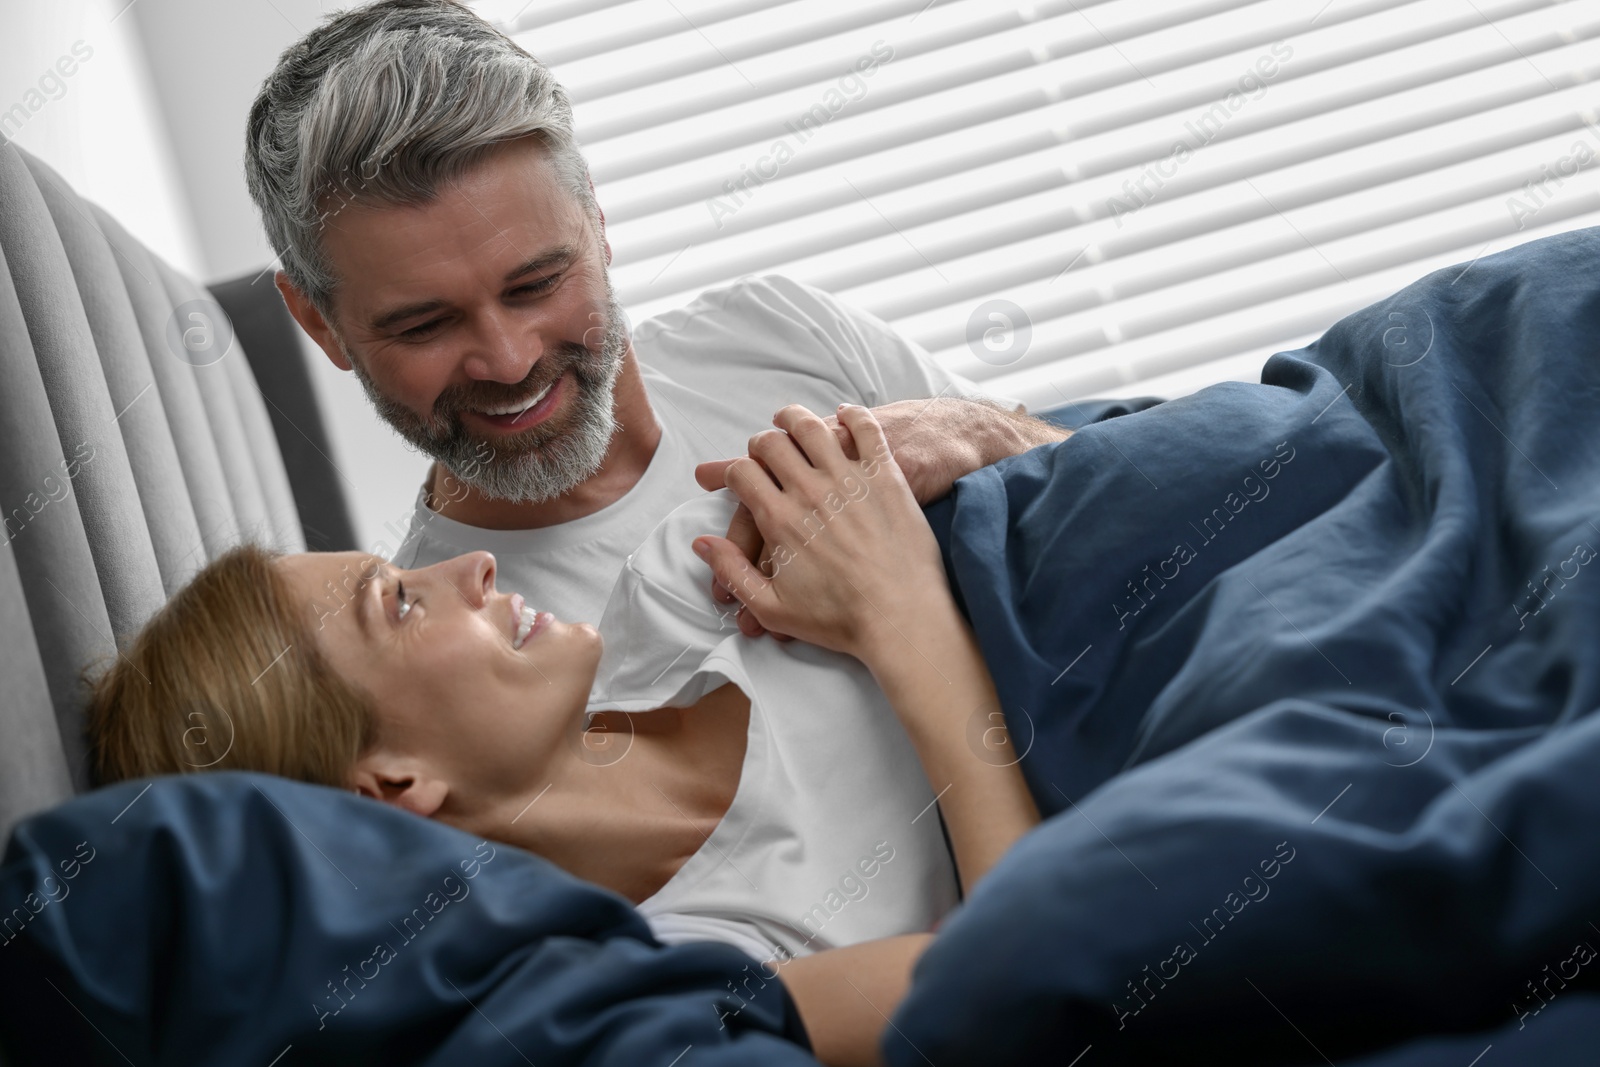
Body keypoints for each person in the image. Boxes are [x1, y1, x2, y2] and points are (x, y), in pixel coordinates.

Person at [86, 404, 1042, 1067]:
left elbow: (1037, 470)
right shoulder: (688, 971)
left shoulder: (696, 578)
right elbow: (1038, 981)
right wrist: (905, 615)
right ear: (394, 780)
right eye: (404, 604)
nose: (475, 565)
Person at [245, 0, 1069, 652]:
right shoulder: (463, 656)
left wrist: (975, 429)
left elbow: (1098, 499)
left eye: (537, 282)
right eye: (424, 325)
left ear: (597, 224)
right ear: (318, 323)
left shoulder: (781, 329)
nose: (507, 358)